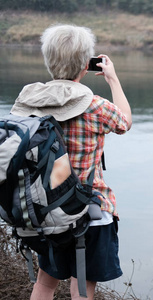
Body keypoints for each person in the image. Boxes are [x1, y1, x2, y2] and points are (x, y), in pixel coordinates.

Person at [10, 24, 132, 300]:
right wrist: (113, 79)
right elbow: (125, 122)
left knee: (44, 284)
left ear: (48, 60)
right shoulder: (95, 106)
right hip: (88, 213)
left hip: (46, 212)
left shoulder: (28, 101)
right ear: (84, 64)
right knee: (81, 291)